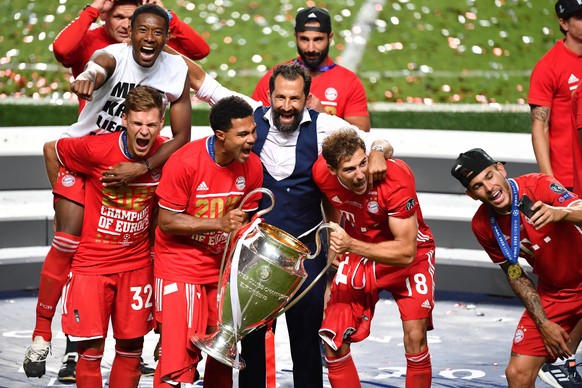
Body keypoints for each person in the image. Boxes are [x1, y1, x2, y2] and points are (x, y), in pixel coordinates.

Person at [184, 58, 393, 387]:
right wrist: (156, 40)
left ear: (307, 98)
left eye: (294, 99)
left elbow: (375, 141)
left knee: (306, 342)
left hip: (306, 256)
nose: (286, 106)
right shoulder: (248, 115)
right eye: (280, 97)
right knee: (250, 340)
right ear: (269, 95)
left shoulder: (326, 126)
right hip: (255, 253)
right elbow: (202, 82)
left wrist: (379, 151)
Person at [23, 4, 191, 380]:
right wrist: (90, 75)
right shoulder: (112, 56)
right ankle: (40, 334)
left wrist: (142, 166)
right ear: (129, 32)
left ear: (167, 37)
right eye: (141, 31)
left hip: (135, 164)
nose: (149, 39)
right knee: (69, 240)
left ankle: (163, 334)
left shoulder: (176, 68)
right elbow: (100, 65)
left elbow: (182, 136)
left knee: (158, 241)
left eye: (158, 32)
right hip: (88, 158)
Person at [48, 85, 165, 386]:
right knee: (90, 350)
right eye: (138, 123)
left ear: (161, 123)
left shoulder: (165, 154)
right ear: (124, 119)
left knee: (131, 350)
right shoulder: (94, 148)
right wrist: (65, 202)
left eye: (151, 124)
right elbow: (52, 149)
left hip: (137, 267)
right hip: (91, 266)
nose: (144, 131)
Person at [152, 95, 263, 387]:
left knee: (222, 354)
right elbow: (166, 221)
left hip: (220, 270)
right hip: (180, 266)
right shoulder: (185, 162)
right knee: (178, 361)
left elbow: (245, 224)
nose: (251, 139)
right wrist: (219, 223)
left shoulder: (252, 167)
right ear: (220, 135)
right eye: (243, 134)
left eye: (252, 131)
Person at [311, 128, 435, 387]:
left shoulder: (396, 177)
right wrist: (334, 232)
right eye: (349, 170)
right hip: (359, 254)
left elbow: (405, 252)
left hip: (409, 254)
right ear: (332, 170)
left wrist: (379, 150)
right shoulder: (321, 173)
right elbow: (331, 197)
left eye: (362, 163)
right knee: (332, 341)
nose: (360, 176)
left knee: (415, 338)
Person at [450, 148, 582, 387]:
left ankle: (567, 355)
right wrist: (543, 324)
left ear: (501, 169)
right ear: (471, 194)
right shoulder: (482, 224)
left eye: (489, 176)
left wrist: (560, 213)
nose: (489, 188)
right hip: (556, 292)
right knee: (518, 373)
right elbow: (515, 274)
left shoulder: (538, 185)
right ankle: (563, 358)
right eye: (478, 186)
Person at [53, 0, 209, 112]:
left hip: (144, 137)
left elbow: (200, 51)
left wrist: (165, 16)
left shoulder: (150, 44)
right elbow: (61, 50)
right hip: (96, 135)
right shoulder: (87, 41)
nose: (126, 25)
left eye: (132, 18)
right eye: (119, 17)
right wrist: (93, 8)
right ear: (104, 16)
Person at [251, 7, 371, 132]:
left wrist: (323, 117)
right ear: (295, 36)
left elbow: (361, 135)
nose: (311, 48)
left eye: (318, 39)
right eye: (304, 39)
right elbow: (252, 124)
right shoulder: (276, 77)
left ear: (330, 38)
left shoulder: (349, 82)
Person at [528, 0, 582, 192]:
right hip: (569, 178)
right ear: (564, 23)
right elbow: (540, 127)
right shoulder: (549, 67)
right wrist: (549, 181)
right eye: (580, 17)